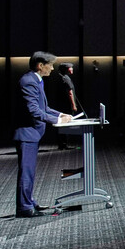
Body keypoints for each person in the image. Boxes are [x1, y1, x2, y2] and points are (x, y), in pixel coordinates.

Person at [13, 52, 72, 217]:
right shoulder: (28, 82)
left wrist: (61, 115)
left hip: (32, 134)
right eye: (50, 65)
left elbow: (44, 108)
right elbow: (34, 111)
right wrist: (58, 121)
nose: (52, 68)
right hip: (27, 134)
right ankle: (24, 207)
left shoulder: (36, 81)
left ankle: (29, 202)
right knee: (26, 172)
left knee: (29, 172)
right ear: (40, 65)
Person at [52, 62, 81, 150]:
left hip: (62, 105)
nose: (72, 69)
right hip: (66, 106)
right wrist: (73, 105)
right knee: (65, 124)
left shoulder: (62, 77)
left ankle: (63, 144)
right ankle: (63, 144)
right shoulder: (65, 78)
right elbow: (70, 93)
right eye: (70, 68)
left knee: (64, 124)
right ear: (65, 69)